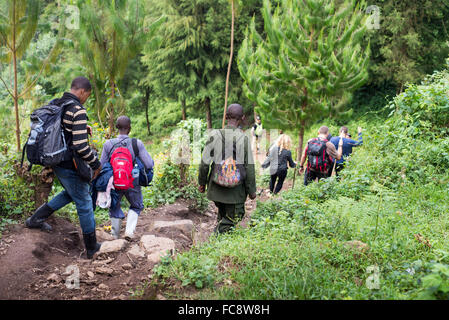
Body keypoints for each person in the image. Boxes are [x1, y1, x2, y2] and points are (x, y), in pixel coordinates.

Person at [25, 77, 103, 259]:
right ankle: (92, 247)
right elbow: (81, 147)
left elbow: (65, 129)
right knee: (84, 202)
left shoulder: (59, 103)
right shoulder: (77, 109)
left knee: (70, 193)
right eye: (87, 96)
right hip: (70, 164)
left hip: (58, 162)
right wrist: (96, 164)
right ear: (83, 92)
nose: (86, 99)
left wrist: (83, 128)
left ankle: (35, 219)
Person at [198, 104, 256, 234]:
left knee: (223, 214)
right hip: (235, 192)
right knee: (234, 216)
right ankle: (217, 238)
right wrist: (251, 191)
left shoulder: (214, 135)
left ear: (225, 116)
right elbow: (249, 168)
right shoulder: (244, 139)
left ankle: (220, 243)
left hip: (217, 187)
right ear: (242, 118)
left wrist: (202, 183)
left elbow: (204, 163)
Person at [99, 116, 154, 240]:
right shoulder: (136, 143)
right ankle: (129, 232)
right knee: (136, 205)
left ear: (117, 128)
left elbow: (101, 165)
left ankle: (115, 235)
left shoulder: (108, 144)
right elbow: (149, 164)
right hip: (132, 181)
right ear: (129, 128)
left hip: (113, 181)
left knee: (114, 205)